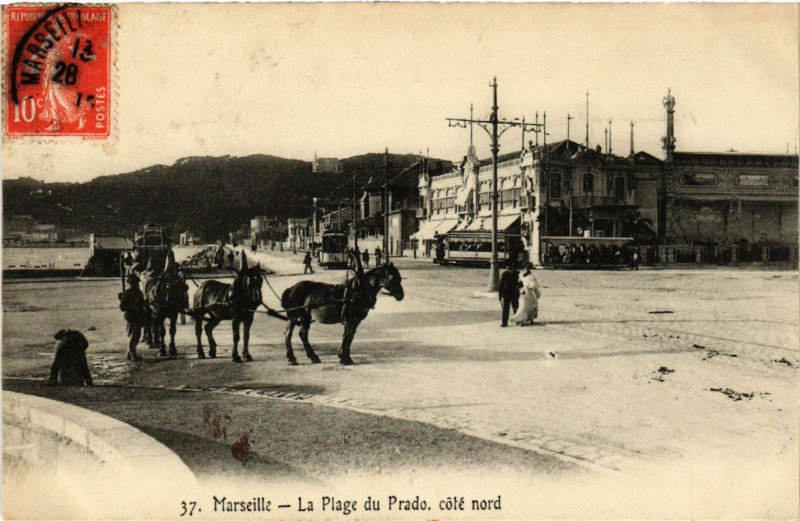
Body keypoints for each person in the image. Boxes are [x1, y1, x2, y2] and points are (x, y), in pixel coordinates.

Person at [118, 273, 146, 361]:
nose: (136, 284)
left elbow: (141, 303)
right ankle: (133, 354)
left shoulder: (138, 292)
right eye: (134, 282)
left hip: (138, 315)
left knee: (136, 334)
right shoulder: (127, 293)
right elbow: (122, 307)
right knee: (134, 334)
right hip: (131, 315)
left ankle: (129, 353)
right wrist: (133, 307)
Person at [498, 262, 520, 327]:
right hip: (506, 294)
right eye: (507, 266)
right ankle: (504, 323)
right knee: (505, 309)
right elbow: (501, 285)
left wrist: (518, 288)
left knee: (516, 307)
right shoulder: (504, 274)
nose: (508, 268)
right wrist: (500, 295)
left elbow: (520, 283)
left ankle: (517, 320)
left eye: (509, 266)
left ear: (512, 266)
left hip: (514, 293)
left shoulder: (517, 273)